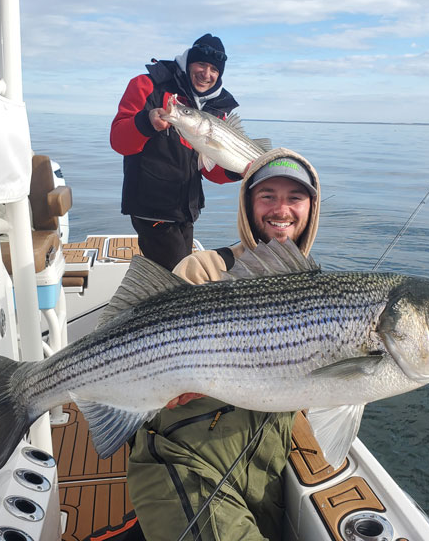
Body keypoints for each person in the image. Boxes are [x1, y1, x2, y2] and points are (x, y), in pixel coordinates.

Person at [126, 148, 320, 541]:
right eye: (267, 196)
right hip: (185, 466)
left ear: (311, 208)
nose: (281, 209)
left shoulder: (320, 291)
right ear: (248, 204)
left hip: (259, 483)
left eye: (294, 197)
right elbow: (142, 356)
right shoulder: (204, 269)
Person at [110, 33, 245, 271]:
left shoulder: (216, 108)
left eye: (214, 69)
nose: (207, 73)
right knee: (177, 279)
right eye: (201, 64)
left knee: (175, 277)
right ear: (188, 62)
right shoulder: (147, 85)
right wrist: (146, 122)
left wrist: (241, 170)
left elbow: (210, 170)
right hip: (152, 208)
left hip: (185, 211)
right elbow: (119, 140)